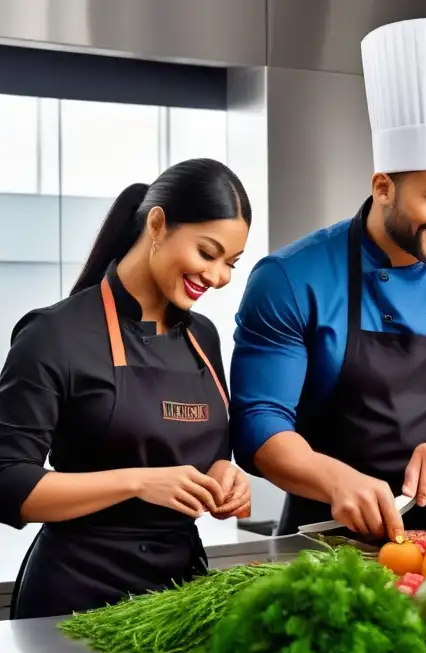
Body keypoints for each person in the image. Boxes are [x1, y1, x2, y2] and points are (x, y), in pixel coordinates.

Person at [230, 18, 426, 539]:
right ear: (383, 187)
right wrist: (335, 480)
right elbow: (259, 423)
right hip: (325, 533)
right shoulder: (290, 278)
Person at [0, 158, 253, 620]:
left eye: (231, 263)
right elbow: (7, 481)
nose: (218, 277)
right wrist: (138, 482)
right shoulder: (54, 334)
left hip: (180, 596)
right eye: (207, 252)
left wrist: (223, 475)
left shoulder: (204, 337)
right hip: (76, 596)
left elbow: (210, 451)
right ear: (157, 224)